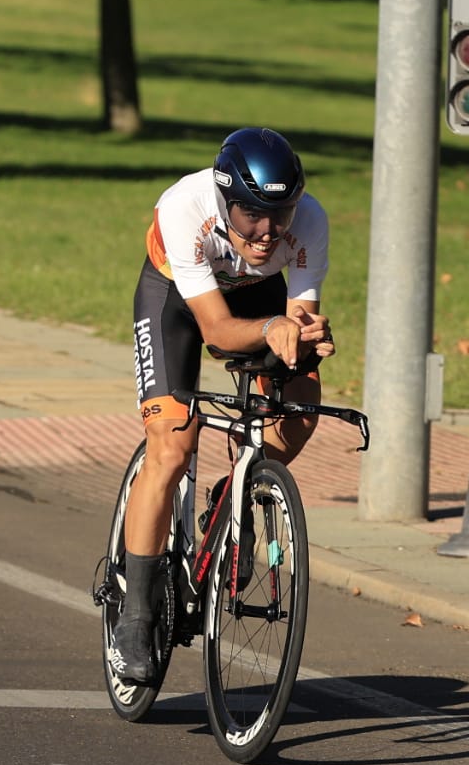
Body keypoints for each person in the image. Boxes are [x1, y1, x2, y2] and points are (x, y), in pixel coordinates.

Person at [111, 127, 336, 682]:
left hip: (256, 294)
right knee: (172, 445)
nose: (265, 233)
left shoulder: (310, 221)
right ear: (223, 199)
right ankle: (136, 618)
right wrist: (273, 327)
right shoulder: (185, 208)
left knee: (302, 406)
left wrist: (304, 335)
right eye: (250, 216)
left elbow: (299, 315)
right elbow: (216, 333)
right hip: (178, 302)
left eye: (278, 215)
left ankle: (236, 489)